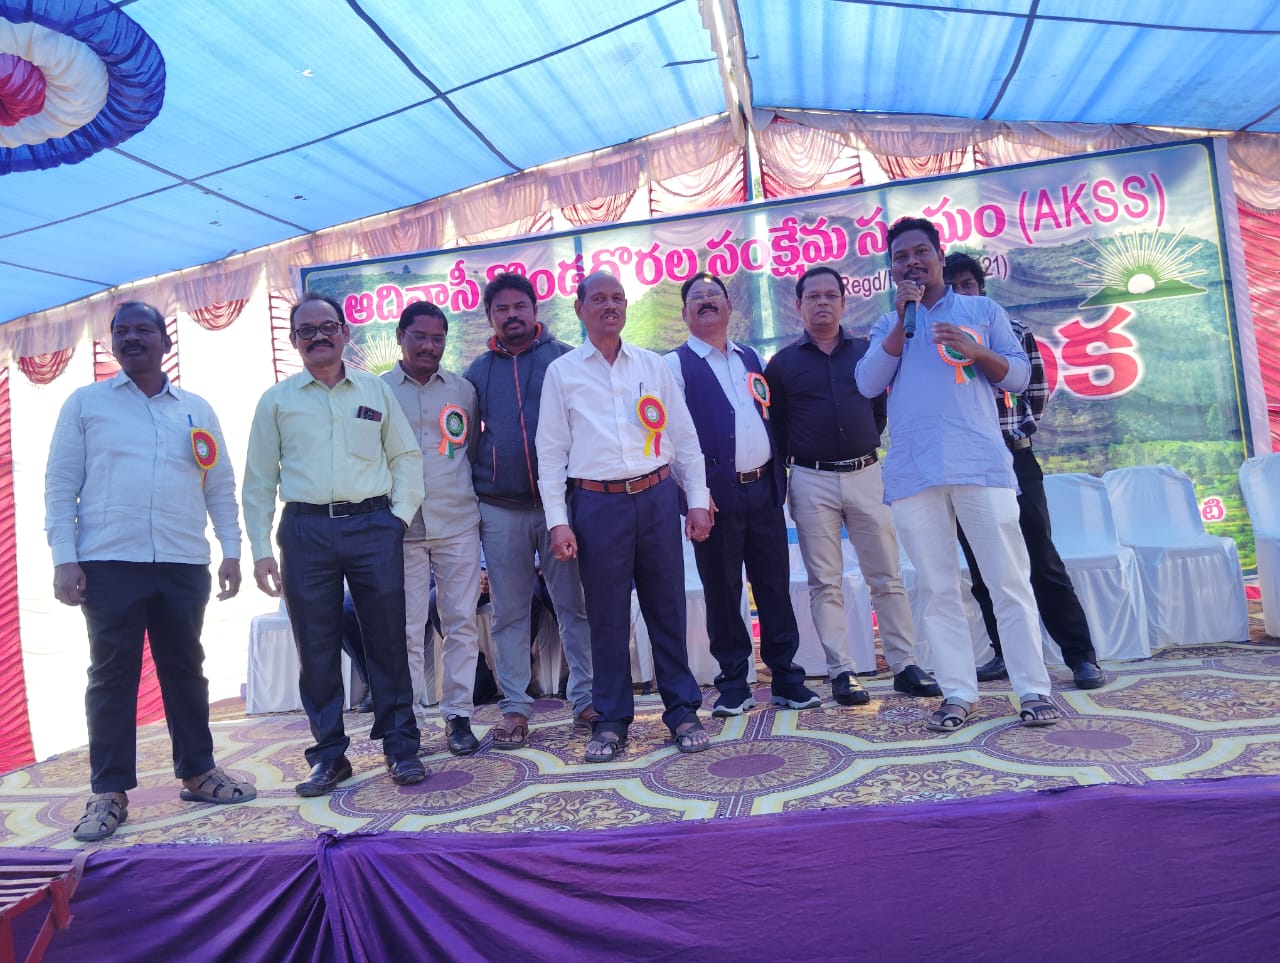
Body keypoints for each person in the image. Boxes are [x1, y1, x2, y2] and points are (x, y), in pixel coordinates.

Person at [45, 301, 256, 843]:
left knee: (185, 668)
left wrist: (231, 550)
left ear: (166, 342)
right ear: (112, 343)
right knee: (112, 675)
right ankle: (109, 791)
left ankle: (199, 772)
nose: (131, 338)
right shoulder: (86, 403)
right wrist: (64, 557)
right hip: (109, 561)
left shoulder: (195, 408)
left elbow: (219, 485)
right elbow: (60, 485)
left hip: (183, 561)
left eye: (143, 329)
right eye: (122, 331)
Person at [856, 217, 1059, 732]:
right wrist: (901, 321)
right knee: (937, 588)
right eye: (900, 257)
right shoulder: (888, 324)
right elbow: (867, 383)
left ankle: (1032, 688)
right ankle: (957, 692)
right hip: (914, 471)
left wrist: (977, 351)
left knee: (1007, 580)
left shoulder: (981, 310)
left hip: (979, 463)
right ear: (891, 269)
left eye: (920, 252)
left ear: (940, 257)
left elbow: (1018, 376)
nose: (911, 263)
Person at [243, 292, 425, 795]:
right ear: (294, 340)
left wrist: (398, 520)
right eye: (307, 330)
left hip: (373, 527)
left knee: (387, 641)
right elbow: (258, 480)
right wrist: (260, 549)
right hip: (305, 533)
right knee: (316, 647)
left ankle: (400, 747)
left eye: (328, 327)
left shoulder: (375, 390)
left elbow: (406, 457)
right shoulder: (276, 401)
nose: (318, 337)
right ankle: (329, 756)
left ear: (345, 332)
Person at [536, 271, 713, 763]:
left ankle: (682, 711)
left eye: (617, 298)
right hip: (597, 505)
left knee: (667, 608)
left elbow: (684, 438)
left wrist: (697, 498)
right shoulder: (562, 373)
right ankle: (612, 719)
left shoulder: (652, 365)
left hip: (656, 497)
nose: (609, 306)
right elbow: (550, 454)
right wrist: (558, 520)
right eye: (598, 299)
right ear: (579, 309)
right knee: (607, 617)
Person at [765, 266, 941, 706]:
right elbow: (777, 428)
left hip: (866, 474)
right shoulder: (782, 365)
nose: (822, 303)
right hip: (811, 479)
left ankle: (904, 665)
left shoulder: (868, 352)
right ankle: (841, 671)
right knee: (825, 582)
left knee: (886, 575)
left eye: (831, 295)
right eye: (813, 296)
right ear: (798, 305)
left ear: (844, 303)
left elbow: (879, 412)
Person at [944, 254, 1107, 690]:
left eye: (967, 284)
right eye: (952, 286)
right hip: (967, 467)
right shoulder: (933, 344)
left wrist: (1008, 433)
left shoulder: (1013, 333)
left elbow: (1034, 396)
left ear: (982, 289)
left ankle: (1080, 657)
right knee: (982, 566)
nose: (961, 293)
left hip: (1014, 458)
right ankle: (1004, 652)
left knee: (1041, 559)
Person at [664, 273, 822, 716]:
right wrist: (694, 496)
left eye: (715, 295)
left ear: (730, 307)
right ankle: (733, 683)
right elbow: (670, 438)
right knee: (722, 591)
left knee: (774, 587)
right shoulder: (674, 365)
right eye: (697, 298)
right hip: (715, 499)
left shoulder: (749, 356)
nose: (707, 301)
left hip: (763, 491)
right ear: (685, 313)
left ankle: (786, 678)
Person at [465, 272, 594, 750]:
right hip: (501, 509)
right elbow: (467, 442)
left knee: (574, 607)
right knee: (509, 614)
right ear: (490, 317)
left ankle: (586, 699)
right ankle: (516, 709)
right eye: (501, 309)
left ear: (535, 310)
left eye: (520, 306)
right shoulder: (477, 373)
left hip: (561, 508)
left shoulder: (565, 359)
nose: (512, 315)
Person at [384, 301, 485, 755]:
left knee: (460, 622)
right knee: (405, 628)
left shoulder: (463, 391)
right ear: (400, 336)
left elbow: (471, 450)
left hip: (457, 521)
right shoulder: (378, 391)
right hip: (400, 528)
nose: (429, 346)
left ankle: (459, 716)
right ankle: (409, 722)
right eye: (419, 336)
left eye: (437, 338)